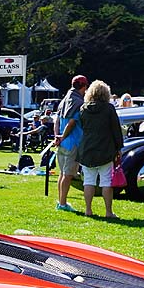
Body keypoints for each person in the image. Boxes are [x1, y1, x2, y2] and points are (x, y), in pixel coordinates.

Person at [77, 80, 123, 220]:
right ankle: (108, 212)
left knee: (88, 181)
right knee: (106, 182)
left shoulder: (83, 109)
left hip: (87, 149)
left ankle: (88, 210)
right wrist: (118, 147)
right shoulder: (109, 108)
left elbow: (82, 128)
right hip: (105, 149)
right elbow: (116, 130)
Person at [53, 75, 88, 211]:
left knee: (62, 174)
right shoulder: (78, 102)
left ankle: (61, 201)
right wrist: (62, 136)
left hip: (61, 143)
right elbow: (72, 123)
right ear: (84, 86)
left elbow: (56, 120)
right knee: (68, 175)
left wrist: (57, 135)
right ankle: (62, 204)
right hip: (71, 143)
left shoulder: (64, 99)